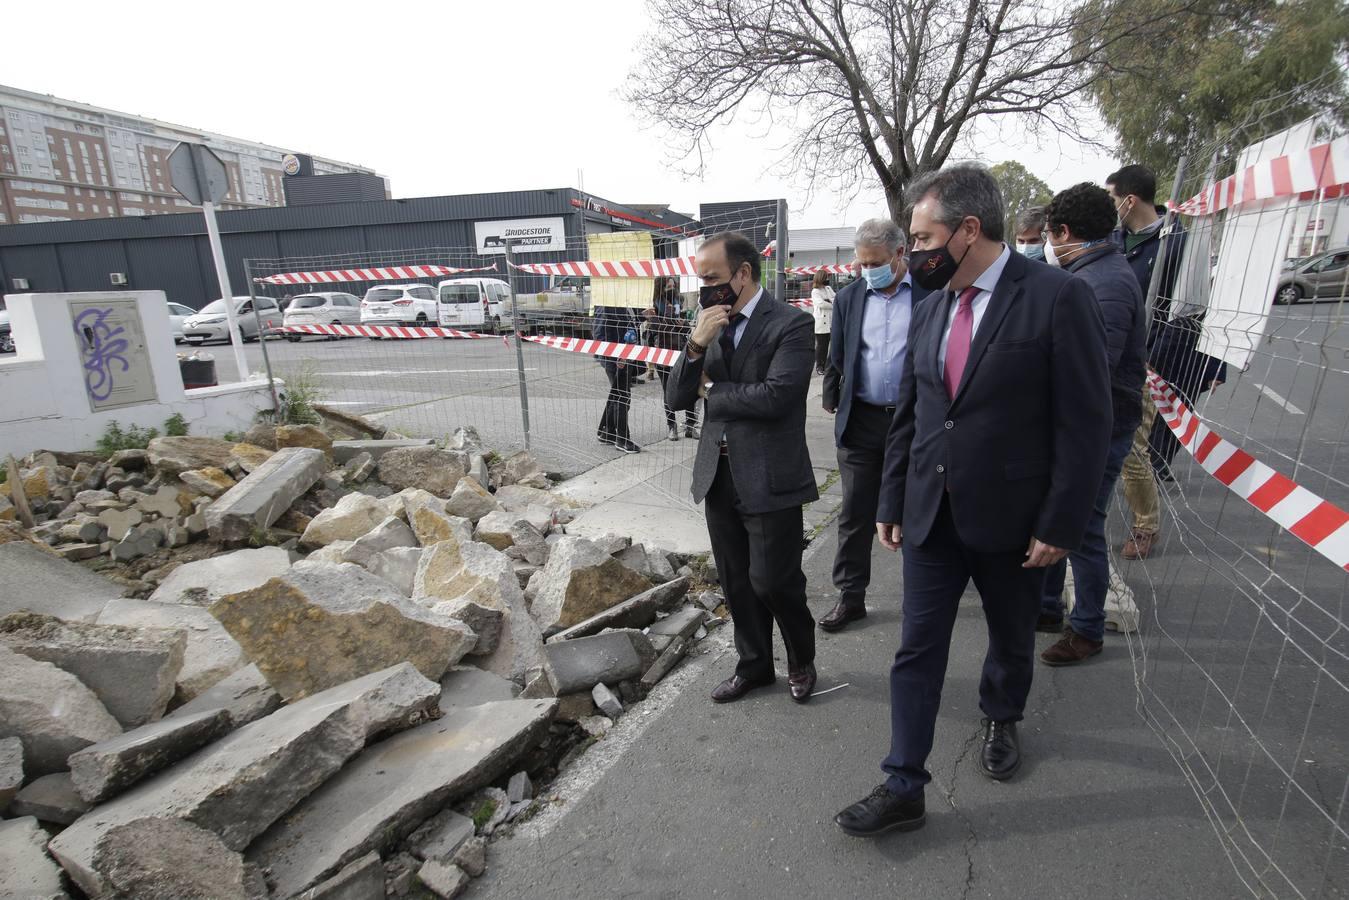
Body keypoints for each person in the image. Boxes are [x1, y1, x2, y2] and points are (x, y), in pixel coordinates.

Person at [835, 164, 1111, 837]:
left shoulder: (1053, 297)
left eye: (924, 237)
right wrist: (891, 499)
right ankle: (903, 782)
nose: (915, 254)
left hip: (1016, 521)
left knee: (1011, 639)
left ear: (967, 229)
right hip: (932, 512)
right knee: (915, 648)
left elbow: (1086, 421)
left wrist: (1061, 521)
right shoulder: (930, 307)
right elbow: (913, 414)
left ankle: (1001, 717)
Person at [666, 231, 819, 704]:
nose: (704, 288)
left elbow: (778, 397)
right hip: (719, 473)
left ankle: (800, 658)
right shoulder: (707, 324)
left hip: (770, 474)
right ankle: (753, 665)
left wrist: (712, 392)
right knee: (736, 580)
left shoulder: (791, 324)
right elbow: (675, 398)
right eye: (700, 279)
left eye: (712, 278)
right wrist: (694, 347)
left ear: (744, 273)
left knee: (775, 581)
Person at [1035, 183, 1147, 663]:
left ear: (1064, 232)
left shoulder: (1104, 284)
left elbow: (1092, 368)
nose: (1047, 245)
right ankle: (1044, 607)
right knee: (1055, 514)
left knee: (1081, 525)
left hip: (1100, 427)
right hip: (1084, 424)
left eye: (1049, 234)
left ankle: (1087, 629)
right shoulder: (1094, 272)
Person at [818, 218, 932, 633]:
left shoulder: (930, 293)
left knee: (921, 509)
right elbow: (839, 352)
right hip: (862, 420)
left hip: (915, 421)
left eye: (875, 262)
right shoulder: (850, 298)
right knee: (855, 513)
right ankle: (850, 597)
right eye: (862, 263)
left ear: (900, 254)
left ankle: (925, 598)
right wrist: (832, 396)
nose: (868, 271)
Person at [1106, 164, 1225, 557]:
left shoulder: (1177, 244)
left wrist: (1151, 360)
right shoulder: (1113, 240)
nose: (1109, 206)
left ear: (1129, 199)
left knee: (1132, 448)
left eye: (1111, 197)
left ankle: (1145, 526)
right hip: (1105, 356)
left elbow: (1189, 313)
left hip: (1146, 364)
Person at [649, 279, 700, 441]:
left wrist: (682, 323)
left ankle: (691, 425)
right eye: (668, 286)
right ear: (660, 288)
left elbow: (685, 329)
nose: (671, 289)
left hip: (680, 348)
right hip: (662, 350)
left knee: (688, 386)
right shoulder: (654, 305)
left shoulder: (679, 301)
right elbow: (653, 330)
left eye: (673, 286)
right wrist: (665, 320)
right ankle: (672, 426)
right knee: (667, 389)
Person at [593, 304, 642, 454]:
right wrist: (615, 357)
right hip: (616, 360)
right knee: (622, 397)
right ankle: (622, 439)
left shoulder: (625, 303)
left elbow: (628, 327)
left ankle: (607, 431)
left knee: (618, 396)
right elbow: (599, 335)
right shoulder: (607, 306)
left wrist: (642, 316)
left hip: (626, 357)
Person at [810, 271, 836, 375]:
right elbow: (821, 304)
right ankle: (819, 366)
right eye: (825, 277)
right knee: (822, 346)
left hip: (831, 321)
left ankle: (828, 365)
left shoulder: (828, 288)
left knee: (832, 345)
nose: (827, 279)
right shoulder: (815, 291)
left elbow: (836, 298)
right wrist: (831, 303)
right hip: (821, 323)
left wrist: (830, 302)